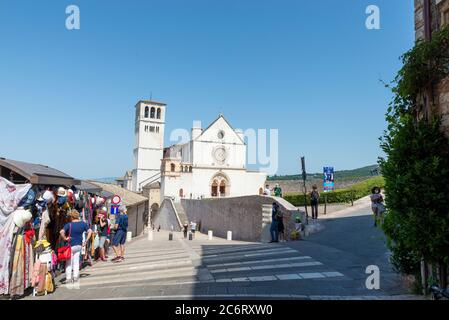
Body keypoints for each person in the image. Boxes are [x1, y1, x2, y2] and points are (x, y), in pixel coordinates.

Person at [60, 209, 93, 284]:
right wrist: (86, 241)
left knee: (68, 262)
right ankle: (75, 277)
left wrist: (65, 238)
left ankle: (68, 278)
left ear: (71, 217)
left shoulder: (69, 225)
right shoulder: (83, 224)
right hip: (79, 245)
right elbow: (90, 231)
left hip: (70, 245)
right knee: (76, 261)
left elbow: (61, 232)